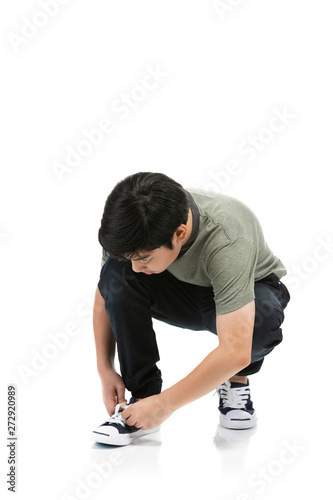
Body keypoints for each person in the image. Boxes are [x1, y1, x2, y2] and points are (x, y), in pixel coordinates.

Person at [92, 172, 290, 446]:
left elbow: (235, 350)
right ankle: (141, 403)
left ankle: (236, 382)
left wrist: (166, 405)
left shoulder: (228, 236)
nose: (135, 267)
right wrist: (105, 368)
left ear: (180, 234)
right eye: (131, 258)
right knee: (117, 277)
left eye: (143, 258)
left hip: (249, 290)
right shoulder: (133, 226)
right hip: (179, 290)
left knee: (259, 326)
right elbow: (105, 297)